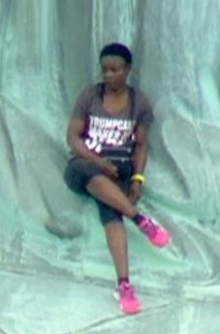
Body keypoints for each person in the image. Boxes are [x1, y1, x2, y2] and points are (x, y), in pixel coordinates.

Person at [64, 42, 170, 315]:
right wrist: (97, 161)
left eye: (114, 70)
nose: (108, 75)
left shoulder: (139, 102)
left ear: (127, 70)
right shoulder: (90, 96)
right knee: (89, 173)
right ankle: (140, 220)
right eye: (104, 70)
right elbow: (72, 137)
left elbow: (142, 145)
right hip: (84, 165)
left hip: (119, 169)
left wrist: (137, 179)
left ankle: (124, 285)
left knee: (111, 211)